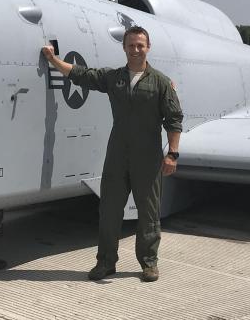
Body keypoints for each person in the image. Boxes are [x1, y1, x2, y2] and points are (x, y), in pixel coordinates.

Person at [41, 26, 183, 282]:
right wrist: (53, 60)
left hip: (147, 157)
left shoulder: (161, 83)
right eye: (131, 45)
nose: (136, 49)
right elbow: (82, 75)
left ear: (147, 47)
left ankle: (149, 263)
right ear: (124, 48)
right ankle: (106, 262)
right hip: (117, 154)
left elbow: (174, 119)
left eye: (140, 45)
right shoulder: (114, 78)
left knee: (148, 213)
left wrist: (172, 154)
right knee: (109, 211)